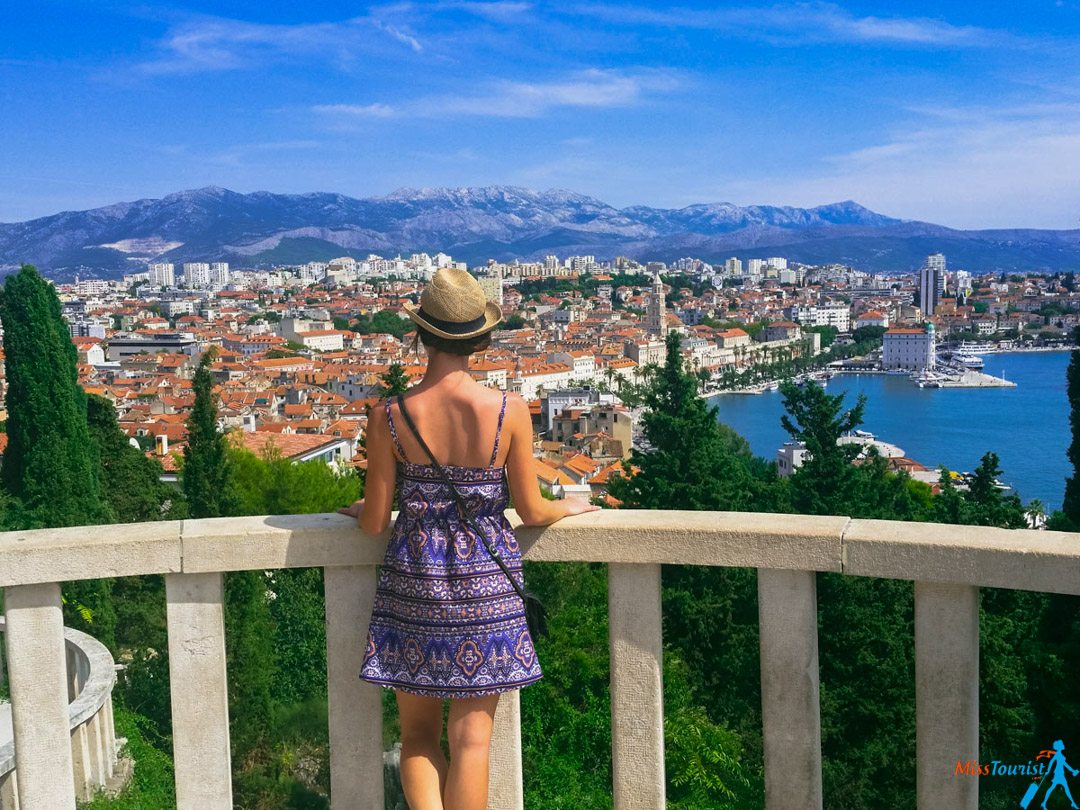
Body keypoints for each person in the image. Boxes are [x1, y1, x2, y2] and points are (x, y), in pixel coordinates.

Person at [338, 267, 600, 810]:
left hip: (415, 582)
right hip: (486, 584)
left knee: (416, 737)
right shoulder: (507, 411)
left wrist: (367, 505)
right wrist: (567, 506)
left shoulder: (387, 416)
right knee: (472, 740)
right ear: (480, 339)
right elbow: (529, 511)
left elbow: (373, 523)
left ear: (420, 333)